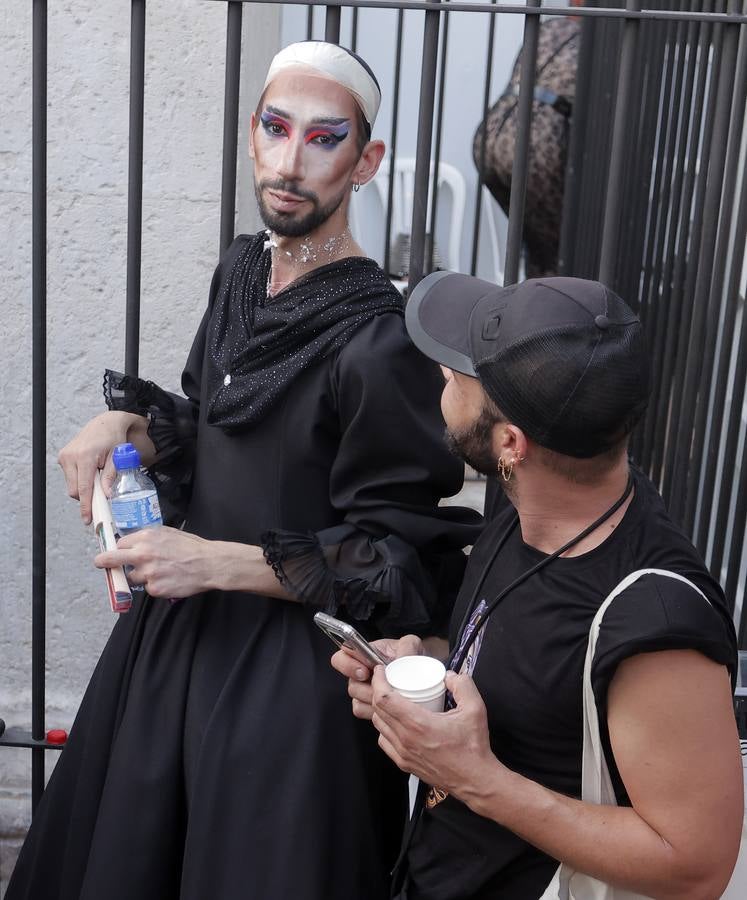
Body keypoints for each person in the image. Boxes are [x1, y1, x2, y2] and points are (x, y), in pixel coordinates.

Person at [7, 42, 482, 900]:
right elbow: (214, 426)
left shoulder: (381, 340)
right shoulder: (240, 269)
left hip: (292, 688)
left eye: (324, 138)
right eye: (275, 128)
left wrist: (213, 562)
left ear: (365, 160)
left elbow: (394, 558)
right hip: (174, 650)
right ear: (253, 136)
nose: (292, 162)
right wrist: (127, 428)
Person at [332, 272, 742, 899]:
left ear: (509, 444)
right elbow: (521, 666)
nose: (444, 376)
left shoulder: (653, 620)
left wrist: (474, 778)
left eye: (460, 374)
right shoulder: (527, 516)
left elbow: (695, 865)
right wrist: (425, 664)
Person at [473, 14, 580, 277]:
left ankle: (529, 295)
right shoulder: (599, 43)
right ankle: (546, 305)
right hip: (536, 143)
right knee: (556, 250)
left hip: (492, 132)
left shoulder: (550, 27)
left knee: (532, 238)